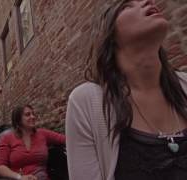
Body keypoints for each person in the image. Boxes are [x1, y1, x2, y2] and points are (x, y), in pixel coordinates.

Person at [66, 0, 187, 180]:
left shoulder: (184, 84)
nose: (147, 1)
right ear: (110, 35)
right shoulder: (87, 101)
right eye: (127, 6)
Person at [0, 105, 65, 180]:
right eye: (28, 115)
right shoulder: (7, 138)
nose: (33, 117)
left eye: (33, 114)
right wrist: (19, 177)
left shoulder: (43, 133)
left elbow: (65, 139)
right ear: (18, 119)